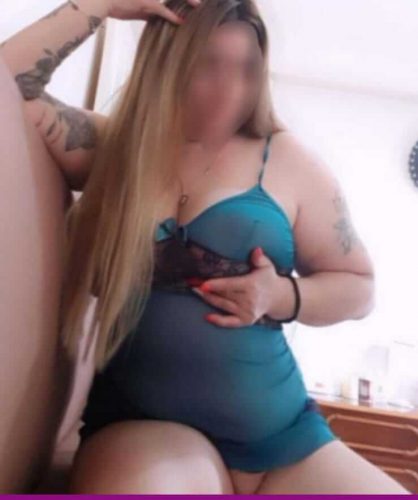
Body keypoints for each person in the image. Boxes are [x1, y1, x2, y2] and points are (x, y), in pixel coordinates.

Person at [2, 0, 410, 494]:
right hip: (149, 431)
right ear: (167, 61)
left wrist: (282, 296)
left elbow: (359, 287)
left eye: (246, 68)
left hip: (283, 438)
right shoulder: (116, 151)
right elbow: (10, 81)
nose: (229, 90)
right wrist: (101, 4)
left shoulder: (289, 161)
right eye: (209, 64)